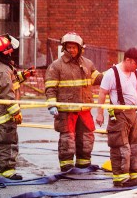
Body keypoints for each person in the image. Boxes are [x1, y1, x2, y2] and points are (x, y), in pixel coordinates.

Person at [45, 31, 102, 172]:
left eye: (74, 47)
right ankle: (67, 165)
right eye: (69, 47)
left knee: (87, 138)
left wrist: (112, 73)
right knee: (67, 139)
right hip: (66, 110)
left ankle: (84, 163)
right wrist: (52, 105)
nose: (71, 50)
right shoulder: (56, 66)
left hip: (84, 110)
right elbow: (50, 88)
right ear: (64, 48)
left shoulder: (88, 64)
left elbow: (98, 79)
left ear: (80, 48)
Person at [95, 47, 137, 188]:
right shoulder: (111, 74)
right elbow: (102, 93)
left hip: (133, 113)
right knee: (121, 147)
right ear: (127, 60)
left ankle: (135, 175)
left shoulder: (136, 72)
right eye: (136, 63)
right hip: (119, 115)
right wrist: (100, 113)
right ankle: (120, 178)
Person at [0, 33, 34, 180]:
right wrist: (15, 112)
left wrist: (24, 75)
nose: (12, 53)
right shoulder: (3, 70)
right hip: (4, 115)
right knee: (7, 142)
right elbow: (7, 93)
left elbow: (9, 82)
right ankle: (7, 172)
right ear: (5, 53)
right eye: (10, 51)